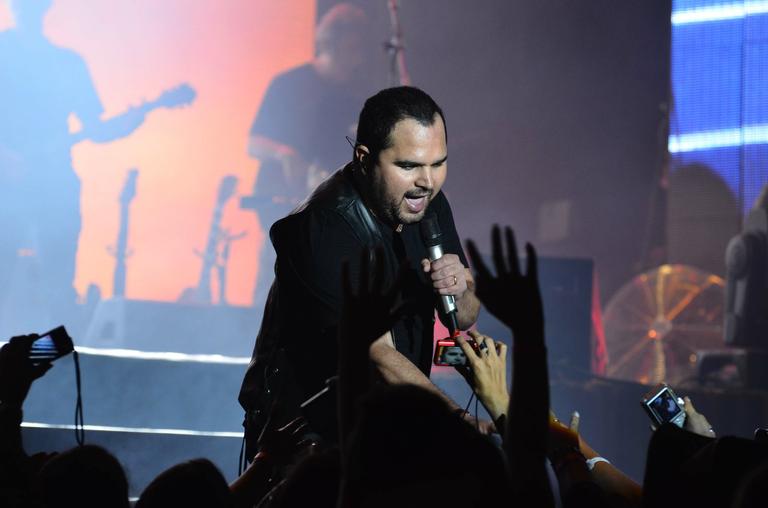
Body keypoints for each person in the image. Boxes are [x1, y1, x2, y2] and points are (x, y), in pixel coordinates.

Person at [239, 86, 482, 458]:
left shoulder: (427, 204)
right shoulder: (325, 226)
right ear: (365, 158)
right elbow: (377, 354)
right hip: (306, 440)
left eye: (438, 163)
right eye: (409, 166)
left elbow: (463, 316)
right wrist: (458, 423)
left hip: (385, 422)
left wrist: (461, 287)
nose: (428, 181)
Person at [244, 3, 371, 307]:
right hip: (282, 201)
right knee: (274, 283)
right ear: (332, 42)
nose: (356, 56)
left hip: (327, 208)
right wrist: (285, 154)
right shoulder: (290, 84)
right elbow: (254, 143)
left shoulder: (355, 97)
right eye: (352, 45)